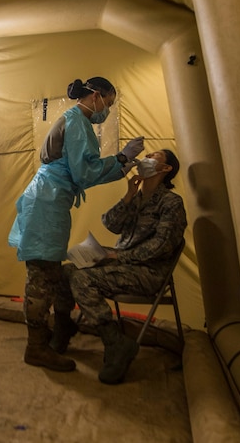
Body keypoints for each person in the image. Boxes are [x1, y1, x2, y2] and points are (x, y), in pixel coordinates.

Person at [8, 77, 144, 372]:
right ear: (96, 96)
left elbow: (83, 170)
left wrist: (121, 164)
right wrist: (121, 159)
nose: (106, 110)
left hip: (49, 199)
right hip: (48, 201)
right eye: (107, 103)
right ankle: (36, 348)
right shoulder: (79, 122)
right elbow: (84, 173)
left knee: (53, 272)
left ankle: (61, 330)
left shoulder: (74, 120)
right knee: (41, 277)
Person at [63, 149, 187, 384]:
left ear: (166, 168)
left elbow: (162, 246)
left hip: (149, 273)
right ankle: (63, 328)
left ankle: (116, 344)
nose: (146, 156)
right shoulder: (137, 198)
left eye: (154, 155)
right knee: (66, 271)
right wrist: (129, 195)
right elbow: (110, 224)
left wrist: (119, 257)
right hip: (123, 264)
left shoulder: (171, 203)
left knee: (82, 279)